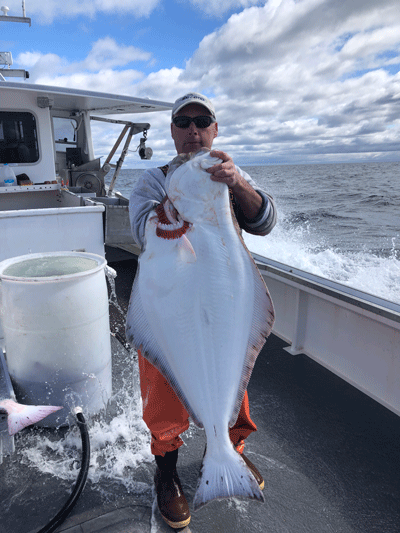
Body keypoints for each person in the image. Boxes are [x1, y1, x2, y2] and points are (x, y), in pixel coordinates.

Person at [128, 93, 277, 529]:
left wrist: (236, 184)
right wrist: (167, 216)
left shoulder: (228, 173)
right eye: (183, 122)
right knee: (162, 397)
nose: (193, 130)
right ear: (173, 131)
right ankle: (167, 477)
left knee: (235, 384)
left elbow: (264, 221)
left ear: (215, 129)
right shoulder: (152, 181)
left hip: (223, 302)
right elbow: (142, 231)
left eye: (202, 121)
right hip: (173, 307)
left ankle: (229, 454)